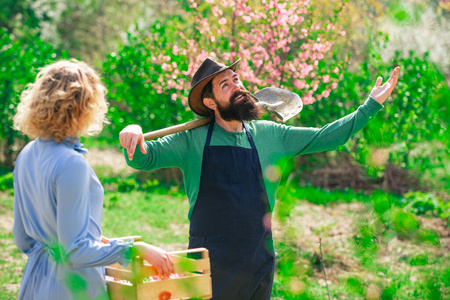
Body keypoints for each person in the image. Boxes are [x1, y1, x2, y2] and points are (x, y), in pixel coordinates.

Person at [120, 57, 400, 300]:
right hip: (210, 263)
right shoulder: (191, 141)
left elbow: (330, 136)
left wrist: (371, 105)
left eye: (236, 79)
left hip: (258, 259)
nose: (237, 87)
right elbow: (143, 157)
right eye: (225, 85)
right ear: (210, 102)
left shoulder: (269, 134)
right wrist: (131, 132)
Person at [12, 59, 174, 300]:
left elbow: (22, 238)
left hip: (35, 282)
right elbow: (75, 252)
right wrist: (134, 249)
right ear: (84, 107)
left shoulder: (27, 153)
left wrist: (90, 238)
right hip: (72, 287)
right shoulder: (71, 163)